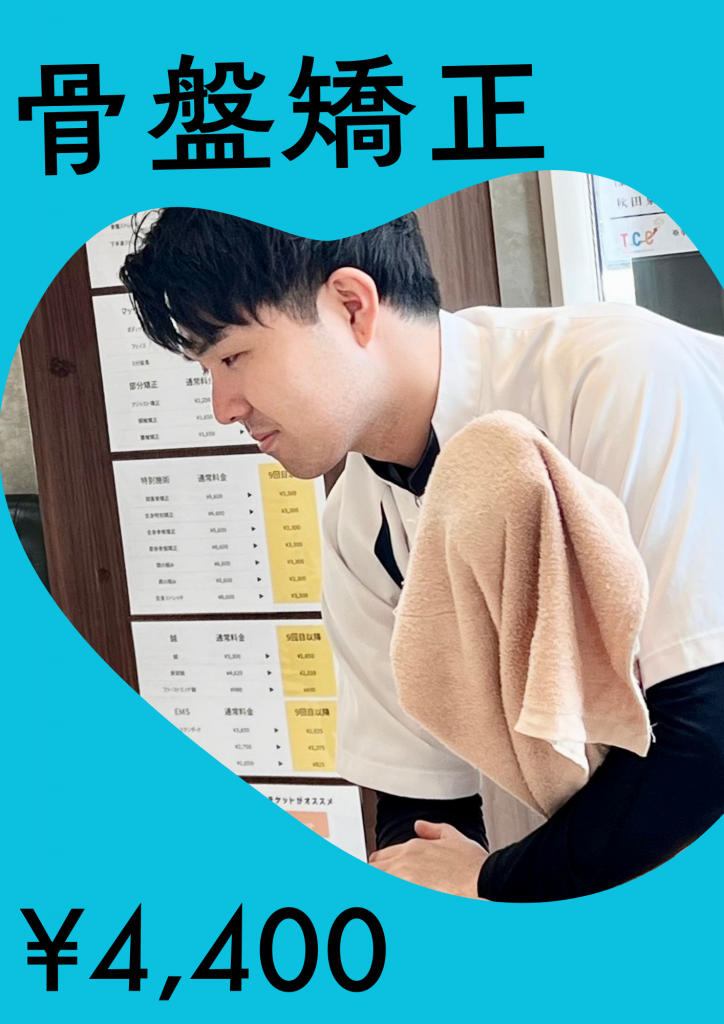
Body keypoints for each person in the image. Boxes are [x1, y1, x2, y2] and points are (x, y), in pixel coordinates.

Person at [121, 207, 724, 902]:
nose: (223, 407)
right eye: (206, 371)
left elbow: (705, 736)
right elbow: (418, 808)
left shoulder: (615, 377)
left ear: (352, 305)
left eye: (232, 357)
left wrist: (493, 883)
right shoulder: (357, 529)